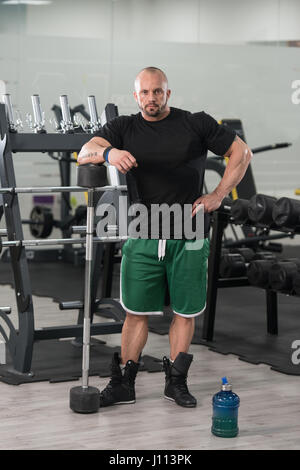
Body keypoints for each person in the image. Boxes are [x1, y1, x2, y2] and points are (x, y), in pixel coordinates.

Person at [77, 66, 252, 408]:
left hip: (188, 233)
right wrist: (110, 153)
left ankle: (176, 382)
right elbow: (85, 152)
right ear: (136, 96)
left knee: (185, 313)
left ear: (167, 93)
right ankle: (124, 384)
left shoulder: (195, 123)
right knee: (136, 312)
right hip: (143, 232)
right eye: (145, 92)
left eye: (157, 91)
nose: (151, 98)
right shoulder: (123, 127)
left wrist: (218, 194)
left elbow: (240, 153)